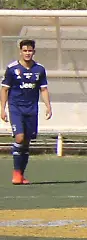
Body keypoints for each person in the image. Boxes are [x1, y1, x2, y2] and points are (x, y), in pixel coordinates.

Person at [3, 40, 51, 185]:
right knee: (19, 138)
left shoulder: (39, 69)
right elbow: (4, 89)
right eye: (25, 51)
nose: (27, 53)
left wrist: (48, 106)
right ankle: (16, 174)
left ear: (34, 52)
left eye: (30, 51)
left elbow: (43, 89)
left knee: (26, 142)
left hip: (32, 109)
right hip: (16, 108)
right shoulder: (12, 69)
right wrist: (2, 109)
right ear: (20, 52)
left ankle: (21, 174)